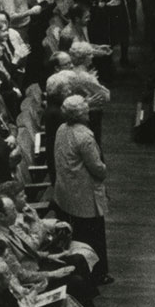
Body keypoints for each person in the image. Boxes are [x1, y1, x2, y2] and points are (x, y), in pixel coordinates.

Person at [50, 96, 109, 284]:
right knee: (94, 236)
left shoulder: (62, 129)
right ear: (80, 114)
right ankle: (99, 274)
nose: (88, 112)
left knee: (81, 234)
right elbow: (97, 168)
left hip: (66, 192)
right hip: (84, 194)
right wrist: (105, 170)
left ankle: (88, 272)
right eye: (85, 110)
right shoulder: (85, 136)